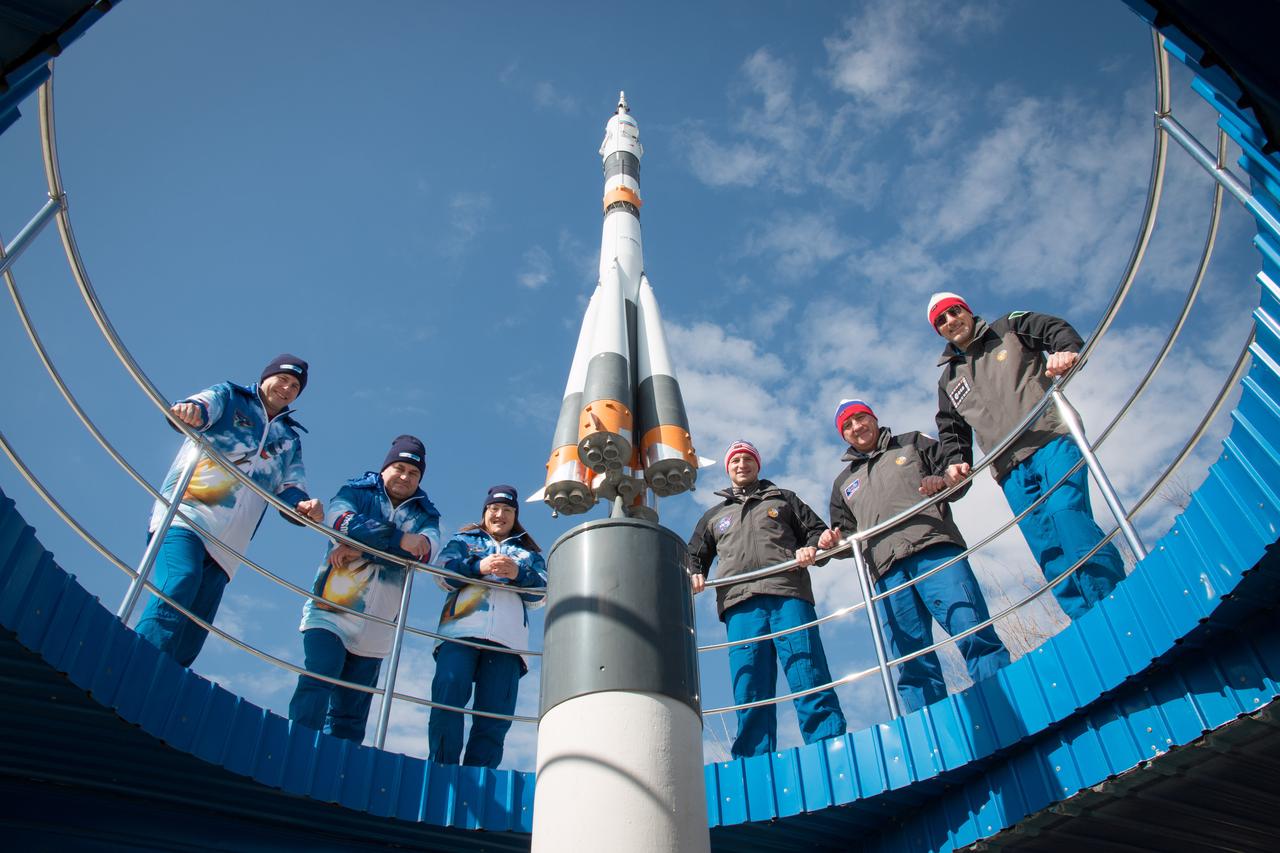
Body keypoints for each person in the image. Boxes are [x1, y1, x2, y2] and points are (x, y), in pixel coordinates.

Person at [929, 292, 1126, 620]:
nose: (950, 321)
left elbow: (1053, 328)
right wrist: (955, 464)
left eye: (954, 312)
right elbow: (952, 432)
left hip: (1050, 439)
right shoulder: (948, 380)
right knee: (1046, 546)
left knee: (1068, 515)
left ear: (967, 310)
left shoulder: (1009, 327)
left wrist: (1065, 351)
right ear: (939, 331)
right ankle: (1085, 620)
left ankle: (1115, 604)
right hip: (1009, 468)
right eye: (941, 320)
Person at [820, 399, 1010, 712]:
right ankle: (933, 732)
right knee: (910, 661)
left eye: (860, 418)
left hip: (934, 549)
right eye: (848, 425)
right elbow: (844, 535)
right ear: (844, 435)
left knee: (971, 628)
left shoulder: (912, 443)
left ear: (874, 417)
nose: (857, 427)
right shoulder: (843, 483)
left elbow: (955, 477)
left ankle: (1003, 706)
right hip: (886, 573)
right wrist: (831, 540)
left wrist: (942, 482)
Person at [136, 354, 323, 667]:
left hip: (229, 545)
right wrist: (190, 412)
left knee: (195, 627)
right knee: (180, 581)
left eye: (295, 386)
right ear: (266, 377)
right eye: (283, 379)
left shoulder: (289, 438)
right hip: (187, 515)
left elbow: (291, 490)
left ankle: (161, 692)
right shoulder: (231, 396)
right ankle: (134, 661)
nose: (287, 388)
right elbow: (197, 408)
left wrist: (305, 507)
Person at [687, 440, 846, 758]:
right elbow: (694, 555)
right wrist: (694, 573)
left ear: (757, 465)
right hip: (741, 605)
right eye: (735, 460)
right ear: (728, 468)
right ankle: (752, 762)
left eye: (747, 459)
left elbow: (817, 532)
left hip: (788, 594)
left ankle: (829, 747)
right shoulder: (714, 516)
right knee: (749, 684)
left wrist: (811, 547)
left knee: (807, 670)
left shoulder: (784, 500)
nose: (741, 464)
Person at [289, 435, 440, 742]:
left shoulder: (426, 514)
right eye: (399, 468)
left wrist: (363, 549)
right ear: (385, 468)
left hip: (379, 625)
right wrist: (397, 540)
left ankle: (336, 776)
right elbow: (340, 520)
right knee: (320, 675)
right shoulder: (357, 491)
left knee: (352, 711)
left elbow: (425, 551)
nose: (405, 476)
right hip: (332, 608)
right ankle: (296, 749)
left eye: (413, 473)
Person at [428, 485, 547, 768]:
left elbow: (542, 592)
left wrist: (518, 573)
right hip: (460, 632)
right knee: (448, 697)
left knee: (495, 715)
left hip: (507, 641)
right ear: (485, 512)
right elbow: (441, 572)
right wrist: (478, 567)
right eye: (494, 508)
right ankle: (441, 768)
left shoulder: (528, 552)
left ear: (515, 516)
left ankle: (479, 777)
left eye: (507, 510)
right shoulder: (464, 541)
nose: (500, 514)